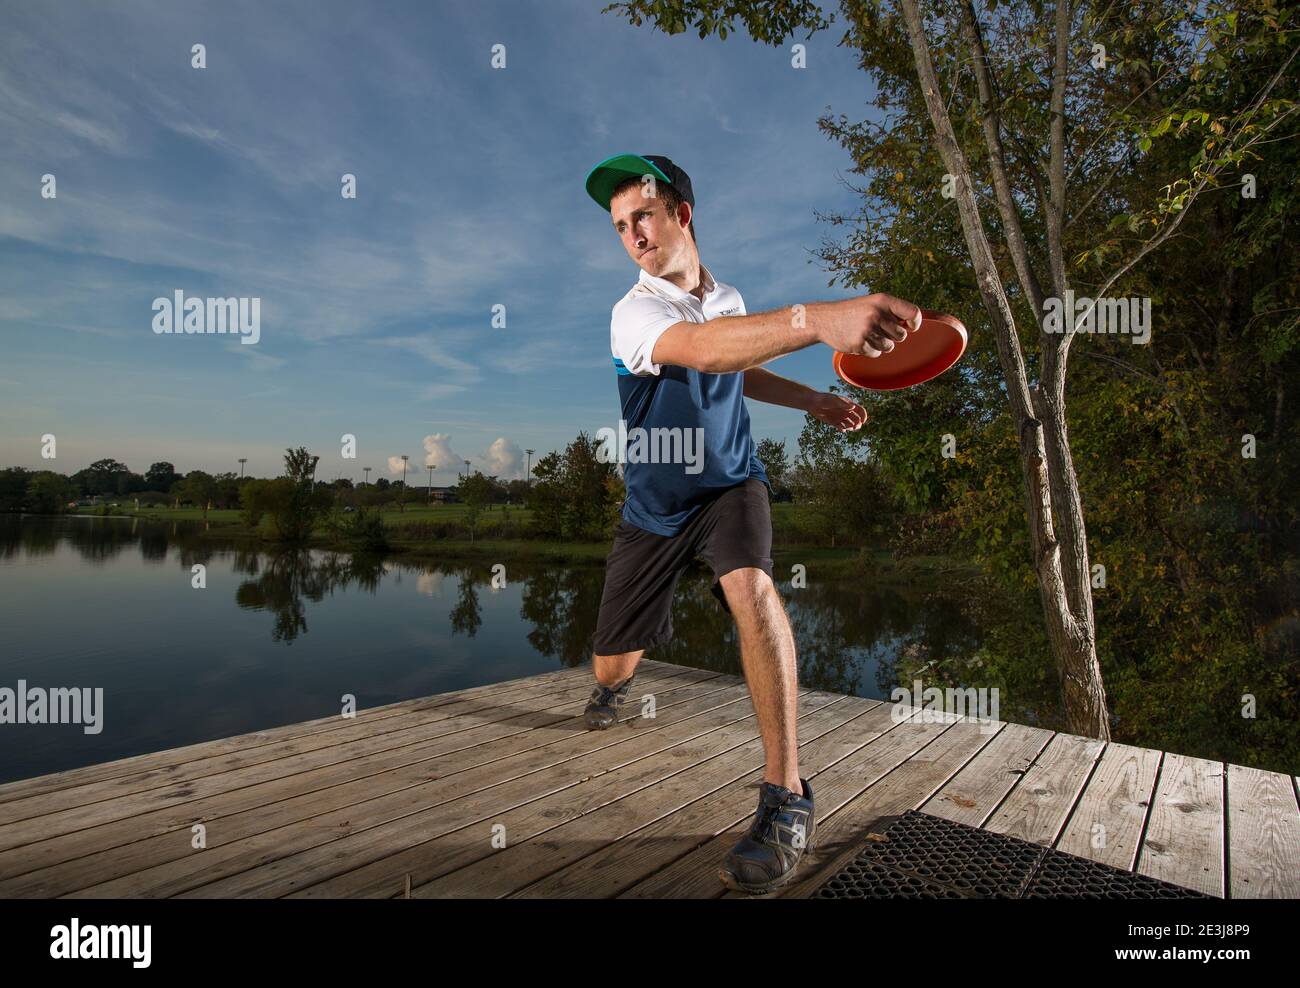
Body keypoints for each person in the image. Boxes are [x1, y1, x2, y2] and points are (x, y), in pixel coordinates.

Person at [581, 153, 921, 894]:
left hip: (733, 485)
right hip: (655, 511)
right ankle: (611, 687)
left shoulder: (727, 298)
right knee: (614, 661)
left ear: (682, 214)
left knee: (752, 588)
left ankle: (786, 797)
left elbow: (740, 365)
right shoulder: (634, 310)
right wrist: (816, 318)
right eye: (619, 226)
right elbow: (704, 353)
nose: (632, 233)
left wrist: (816, 402)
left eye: (642, 214)